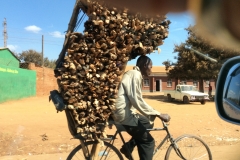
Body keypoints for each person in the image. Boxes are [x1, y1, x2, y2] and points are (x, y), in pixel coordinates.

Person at [112, 55, 170, 160]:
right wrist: (158, 113)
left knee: (147, 123)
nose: (151, 70)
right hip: (123, 114)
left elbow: (136, 100)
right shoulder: (135, 75)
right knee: (149, 142)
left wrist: (152, 114)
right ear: (145, 65)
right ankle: (133, 147)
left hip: (126, 111)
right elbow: (137, 100)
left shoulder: (135, 74)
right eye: (151, 67)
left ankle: (128, 146)